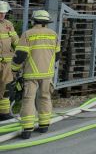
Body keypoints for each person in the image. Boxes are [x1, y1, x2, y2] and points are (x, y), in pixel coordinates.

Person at [11, 10, 60, 139]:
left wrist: (14, 69)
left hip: (31, 74)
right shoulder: (53, 35)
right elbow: (57, 56)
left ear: (34, 20)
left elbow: (20, 56)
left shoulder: (28, 34)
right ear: (47, 22)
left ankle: (27, 129)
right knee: (45, 97)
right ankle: (44, 125)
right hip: (47, 74)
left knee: (28, 99)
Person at [0, 1, 19, 121]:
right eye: (0, 13)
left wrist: (22, 51)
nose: (2, 15)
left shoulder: (8, 24)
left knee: (5, 87)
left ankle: (3, 113)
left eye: (4, 13)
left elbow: (15, 40)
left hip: (6, 63)